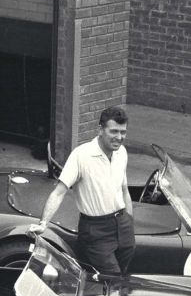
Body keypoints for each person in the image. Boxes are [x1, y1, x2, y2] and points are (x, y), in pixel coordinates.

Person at [30, 106, 135, 275]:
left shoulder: (121, 152)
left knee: (122, 275)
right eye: (114, 131)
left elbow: (124, 189)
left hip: (123, 225)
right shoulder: (81, 155)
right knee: (112, 277)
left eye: (123, 132)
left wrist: (129, 220)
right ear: (100, 129)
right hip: (96, 229)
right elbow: (59, 192)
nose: (119, 137)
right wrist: (43, 223)